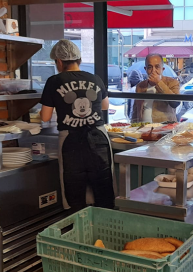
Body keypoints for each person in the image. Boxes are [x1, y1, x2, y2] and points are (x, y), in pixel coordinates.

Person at [39, 39, 115, 212]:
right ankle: (105, 229)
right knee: (103, 187)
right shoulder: (95, 78)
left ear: (59, 61)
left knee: (74, 191)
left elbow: (45, 117)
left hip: (70, 140)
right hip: (98, 138)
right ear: (79, 59)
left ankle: (78, 230)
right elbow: (105, 106)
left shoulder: (54, 81)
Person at [131, 54, 180, 123]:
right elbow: (136, 110)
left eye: (157, 67)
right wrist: (133, 126)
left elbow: (175, 103)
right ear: (146, 69)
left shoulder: (172, 83)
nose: (153, 71)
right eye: (150, 67)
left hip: (165, 128)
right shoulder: (140, 86)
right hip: (143, 129)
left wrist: (159, 83)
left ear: (162, 69)